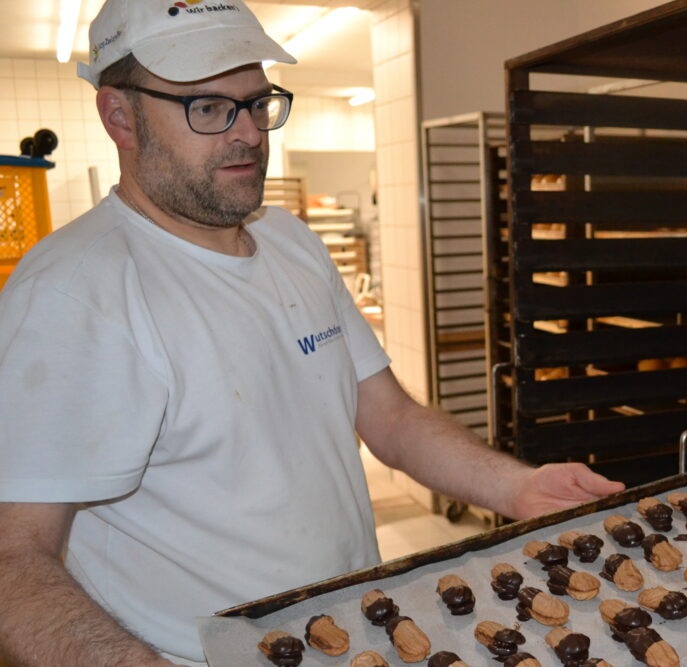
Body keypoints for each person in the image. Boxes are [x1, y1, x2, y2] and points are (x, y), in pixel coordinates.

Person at [0, 1, 625, 665]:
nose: (247, 133)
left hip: (356, 633)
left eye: (256, 101)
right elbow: (13, 558)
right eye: (207, 108)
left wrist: (516, 488)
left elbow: (388, 418)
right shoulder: (73, 293)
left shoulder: (288, 239)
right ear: (119, 116)